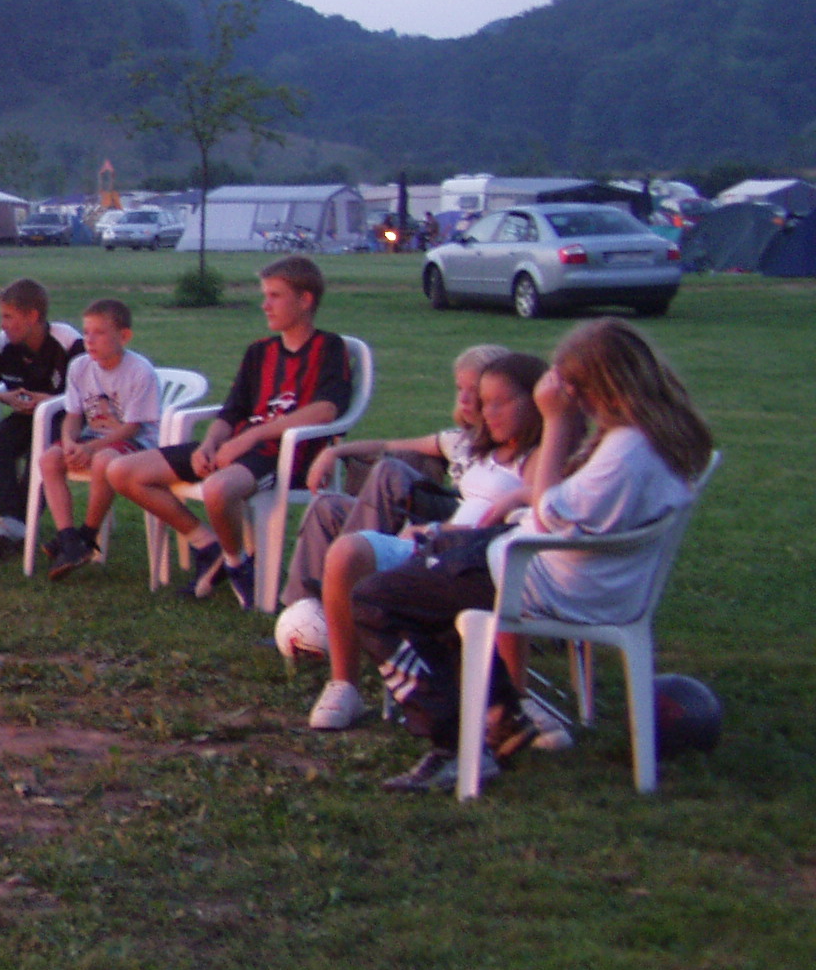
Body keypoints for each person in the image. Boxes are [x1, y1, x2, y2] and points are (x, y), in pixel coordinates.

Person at [360, 321, 713, 792]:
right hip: (559, 566)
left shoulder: (628, 450)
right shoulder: (658, 434)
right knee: (437, 556)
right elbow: (562, 509)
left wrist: (558, 423)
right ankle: (502, 713)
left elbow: (548, 515)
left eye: (574, 388)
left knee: (374, 600)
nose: (571, 399)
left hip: (548, 578)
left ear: (598, 386)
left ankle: (454, 746)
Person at [299, 350, 542, 731]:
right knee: (346, 551)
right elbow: (394, 445)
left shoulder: (536, 460)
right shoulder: (476, 447)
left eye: (495, 402)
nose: (483, 410)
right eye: (482, 400)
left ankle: (512, 704)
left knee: (389, 478)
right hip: (434, 545)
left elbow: (534, 521)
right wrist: (337, 452)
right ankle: (343, 684)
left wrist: (445, 530)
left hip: (474, 558)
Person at [105, 255, 351, 606]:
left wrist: (251, 437)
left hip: (280, 457)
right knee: (122, 470)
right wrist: (209, 444)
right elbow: (232, 410)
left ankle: (237, 564)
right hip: (233, 448)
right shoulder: (259, 352)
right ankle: (209, 546)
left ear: (305, 299)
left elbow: (327, 409)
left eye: (275, 295)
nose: (264, 305)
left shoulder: (329, 348)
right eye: (264, 295)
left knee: (218, 490)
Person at [275, 341, 513, 633]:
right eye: (458, 388)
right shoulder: (458, 440)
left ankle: (344, 578)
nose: (463, 398)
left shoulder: (513, 446)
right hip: (431, 519)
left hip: (460, 531)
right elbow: (388, 445)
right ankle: (300, 617)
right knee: (327, 507)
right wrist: (333, 452)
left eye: (472, 390)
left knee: (391, 471)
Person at [37, 298, 163, 578]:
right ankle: (69, 538)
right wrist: (70, 442)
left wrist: (91, 448)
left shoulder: (139, 371)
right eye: (86, 332)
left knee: (104, 459)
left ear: (124, 336)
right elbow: (72, 415)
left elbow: (132, 427)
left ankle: (88, 535)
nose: (90, 340)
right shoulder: (80, 366)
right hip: (93, 435)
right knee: (49, 459)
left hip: (137, 442)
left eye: (100, 333)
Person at [0, 277, 80, 557]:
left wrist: (48, 401)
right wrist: (5, 397)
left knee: (42, 449)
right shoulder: (4, 342)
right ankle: (9, 522)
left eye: (8, 317)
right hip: (25, 415)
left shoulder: (67, 342)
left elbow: (87, 394)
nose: (2, 324)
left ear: (33, 316)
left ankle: (13, 526)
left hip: (64, 419)